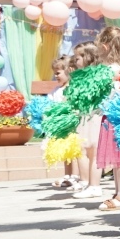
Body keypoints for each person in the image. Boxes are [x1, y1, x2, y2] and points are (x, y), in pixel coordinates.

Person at [94, 26, 120, 211]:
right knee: (119, 160)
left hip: (116, 117)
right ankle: (119, 193)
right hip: (119, 115)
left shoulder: (111, 70)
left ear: (104, 47)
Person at [69, 42, 104, 199]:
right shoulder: (80, 76)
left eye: (78, 58)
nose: (75, 62)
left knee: (93, 150)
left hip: (94, 115)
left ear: (87, 57)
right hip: (84, 115)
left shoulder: (98, 74)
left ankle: (94, 185)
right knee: (83, 149)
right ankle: (87, 182)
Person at [49, 56, 80, 188]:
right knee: (65, 150)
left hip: (71, 123)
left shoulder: (71, 88)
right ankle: (67, 175)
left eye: (58, 73)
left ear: (68, 71)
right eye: (54, 73)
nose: (55, 76)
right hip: (61, 124)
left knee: (74, 150)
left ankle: (75, 175)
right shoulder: (56, 91)